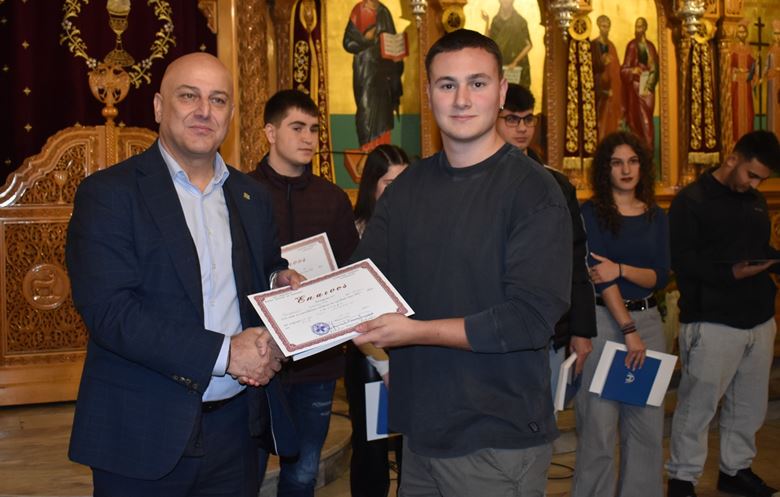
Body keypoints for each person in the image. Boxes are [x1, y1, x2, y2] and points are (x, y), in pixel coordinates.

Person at [66, 52, 303, 496]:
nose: (204, 111)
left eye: (218, 100)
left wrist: (279, 281)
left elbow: (264, 267)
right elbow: (110, 312)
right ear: (159, 107)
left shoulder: (251, 196)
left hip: (238, 429)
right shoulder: (109, 194)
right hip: (142, 431)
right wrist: (226, 354)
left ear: (231, 114)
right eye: (189, 96)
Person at [352, 29, 572, 497]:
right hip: (420, 432)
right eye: (447, 84)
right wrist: (300, 290)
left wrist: (415, 332)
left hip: (496, 436)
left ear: (501, 92)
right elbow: (361, 280)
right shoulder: (408, 188)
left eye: (477, 83)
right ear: (429, 93)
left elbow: (529, 320)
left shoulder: (532, 190)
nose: (462, 99)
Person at [250, 89, 360, 496]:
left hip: (318, 361)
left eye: (314, 129)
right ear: (270, 132)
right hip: (256, 357)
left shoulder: (332, 199)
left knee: (302, 473)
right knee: (245, 471)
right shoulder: (242, 193)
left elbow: (351, 270)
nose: (309, 138)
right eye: (297, 128)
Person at [666, 130, 780, 497]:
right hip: (711, 319)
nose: (754, 184)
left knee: (749, 404)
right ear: (733, 159)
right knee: (697, 406)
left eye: (761, 179)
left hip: (758, 318)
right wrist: (729, 273)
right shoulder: (690, 201)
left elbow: (758, 249)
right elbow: (681, 261)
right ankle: (682, 479)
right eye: (751, 175)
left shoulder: (755, 200)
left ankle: (736, 469)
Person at [571, 131, 670, 497]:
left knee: (646, 428)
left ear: (642, 166)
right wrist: (629, 330)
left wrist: (622, 268)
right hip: (605, 325)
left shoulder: (656, 216)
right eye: (617, 163)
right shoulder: (592, 214)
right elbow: (601, 277)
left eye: (633, 161)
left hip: (649, 323)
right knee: (598, 427)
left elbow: (660, 275)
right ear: (605, 169)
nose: (626, 170)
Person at [495, 83, 596, 385]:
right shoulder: (477, 179)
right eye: (512, 119)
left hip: (549, 327)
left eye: (528, 119)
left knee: (544, 409)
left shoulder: (556, 184)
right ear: (493, 119)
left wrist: (581, 329)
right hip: (492, 322)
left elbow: (575, 258)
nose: (522, 128)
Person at [346, 144, 409, 497]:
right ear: (372, 185)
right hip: (369, 358)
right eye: (389, 183)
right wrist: (384, 366)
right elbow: (354, 308)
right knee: (371, 453)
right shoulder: (356, 231)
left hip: (411, 350)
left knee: (412, 452)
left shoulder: (420, 228)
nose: (398, 191)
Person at [343, 0, 404, 151]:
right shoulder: (359, 11)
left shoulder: (384, 12)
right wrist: (366, 40)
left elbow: (391, 41)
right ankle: (367, 152)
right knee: (366, 111)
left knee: (383, 115)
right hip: (365, 71)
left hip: (384, 74)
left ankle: (383, 153)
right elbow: (348, 43)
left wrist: (397, 52)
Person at [621, 17, 659, 152]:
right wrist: (633, 70)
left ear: (645, 28)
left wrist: (649, 83)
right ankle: (637, 153)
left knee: (647, 122)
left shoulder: (650, 47)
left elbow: (656, 69)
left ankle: (648, 153)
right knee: (635, 122)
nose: (637, 30)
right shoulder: (632, 46)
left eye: (640, 27)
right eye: (636, 27)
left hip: (647, 88)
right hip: (635, 88)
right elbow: (624, 70)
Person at [481, 0, 532, 88]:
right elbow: (488, 42)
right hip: (501, 64)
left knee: (516, 93)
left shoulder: (520, 21)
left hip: (516, 68)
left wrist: (515, 62)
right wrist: (487, 21)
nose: (505, 2)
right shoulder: (496, 21)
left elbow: (529, 45)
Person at [591, 15, 624, 140]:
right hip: (597, 89)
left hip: (610, 90)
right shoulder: (593, 45)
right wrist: (602, 62)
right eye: (603, 26)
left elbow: (616, 71)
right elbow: (589, 66)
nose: (605, 29)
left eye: (607, 27)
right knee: (598, 119)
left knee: (609, 120)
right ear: (599, 27)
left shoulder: (611, 46)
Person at [731, 21, 756, 143]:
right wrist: (735, 72)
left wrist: (751, 75)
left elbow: (753, 68)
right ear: (737, 33)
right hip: (736, 85)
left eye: (744, 32)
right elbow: (728, 67)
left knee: (748, 112)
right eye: (740, 32)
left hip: (746, 85)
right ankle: (736, 139)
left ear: (747, 33)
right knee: (736, 110)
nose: (742, 34)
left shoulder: (750, 50)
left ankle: (748, 138)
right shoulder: (733, 49)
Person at [763, 21, 780, 139]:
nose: (777, 36)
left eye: (779, 34)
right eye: (775, 33)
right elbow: (766, 67)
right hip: (773, 82)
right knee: (773, 107)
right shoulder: (770, 51)